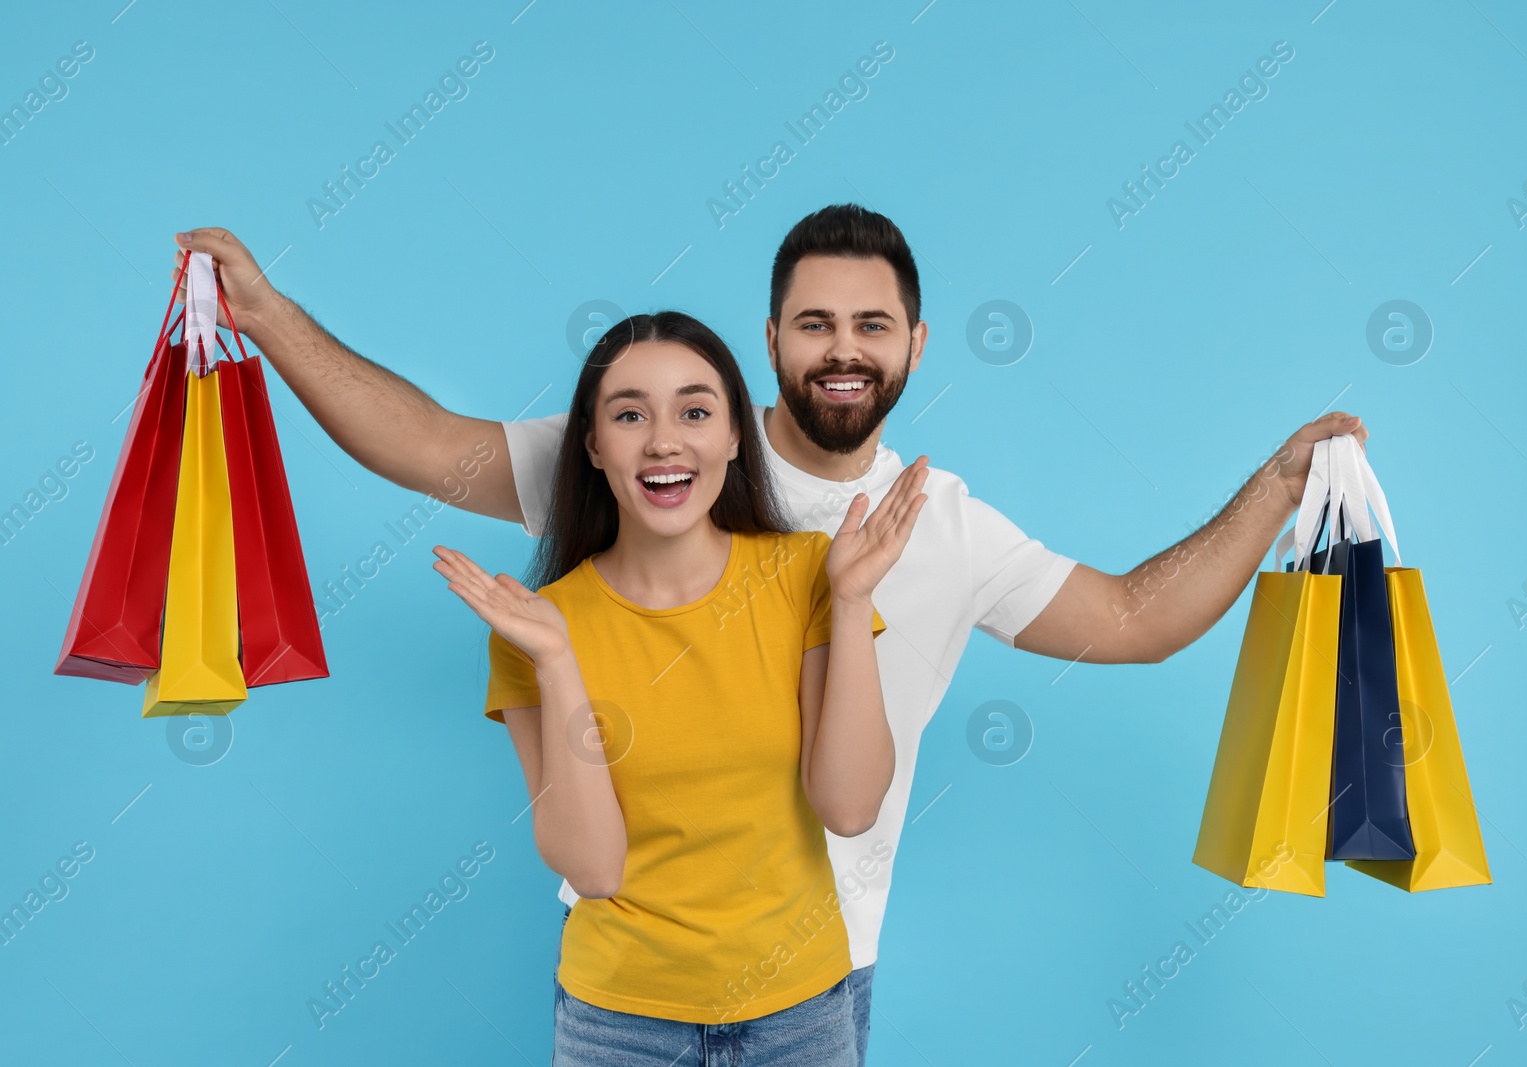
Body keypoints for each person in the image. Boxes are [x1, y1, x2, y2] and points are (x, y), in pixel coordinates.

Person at [170, 206, 1366, 1061]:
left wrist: (1277, 481)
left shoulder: (935, 524)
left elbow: (1135, 619)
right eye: (813, 322)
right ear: (773, 338)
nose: (842, 348)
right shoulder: (667, 445)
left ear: (913, 344)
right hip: (635, 966)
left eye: (871, 324)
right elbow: (431, 444)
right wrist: (267, 317)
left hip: (816, 969)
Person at [431, 310, 927, 1065]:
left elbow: (850, 806)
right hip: (619, 1028)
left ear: (734, 436)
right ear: (594, 445)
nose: (664, 440)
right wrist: (560, 662)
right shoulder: (538, 626)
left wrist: (853, 601)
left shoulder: (807, 576)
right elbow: (593, 869)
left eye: (695, 411)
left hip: (800, 1016)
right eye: (630, 414)